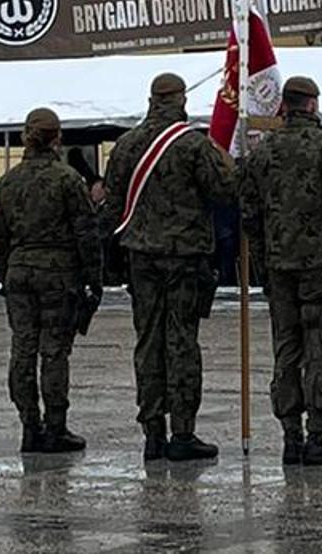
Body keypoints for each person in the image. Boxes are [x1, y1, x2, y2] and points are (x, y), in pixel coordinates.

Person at [100, 72, 234, 462]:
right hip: (185, 257)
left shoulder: (125, 146)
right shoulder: (192, 144)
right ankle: (183, 432)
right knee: (181, 341)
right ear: (181, 101)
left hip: (140, 257)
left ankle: (152, 432)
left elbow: (112, 203)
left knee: (148, 341)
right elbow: (225, 191)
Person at [238, 76, 322, 466]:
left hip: (279, 269)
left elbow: (248, 214)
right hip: (321, 268)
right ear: (311, 105)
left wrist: (262, 262)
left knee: (286, 350)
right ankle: (319, 436)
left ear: (284, 106)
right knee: (318, 351)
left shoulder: (260, 153)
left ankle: (291, 437)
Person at [0, 107, 98, 453]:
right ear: (57, 138)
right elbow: (86, 235)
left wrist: (7, 273)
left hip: (20, 272)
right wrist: (94, 279)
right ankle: (55, 428)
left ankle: (29, 426)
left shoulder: (8, 181)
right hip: (57, 273)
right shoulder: (67, 180)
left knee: (22, 349)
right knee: (53, 353)